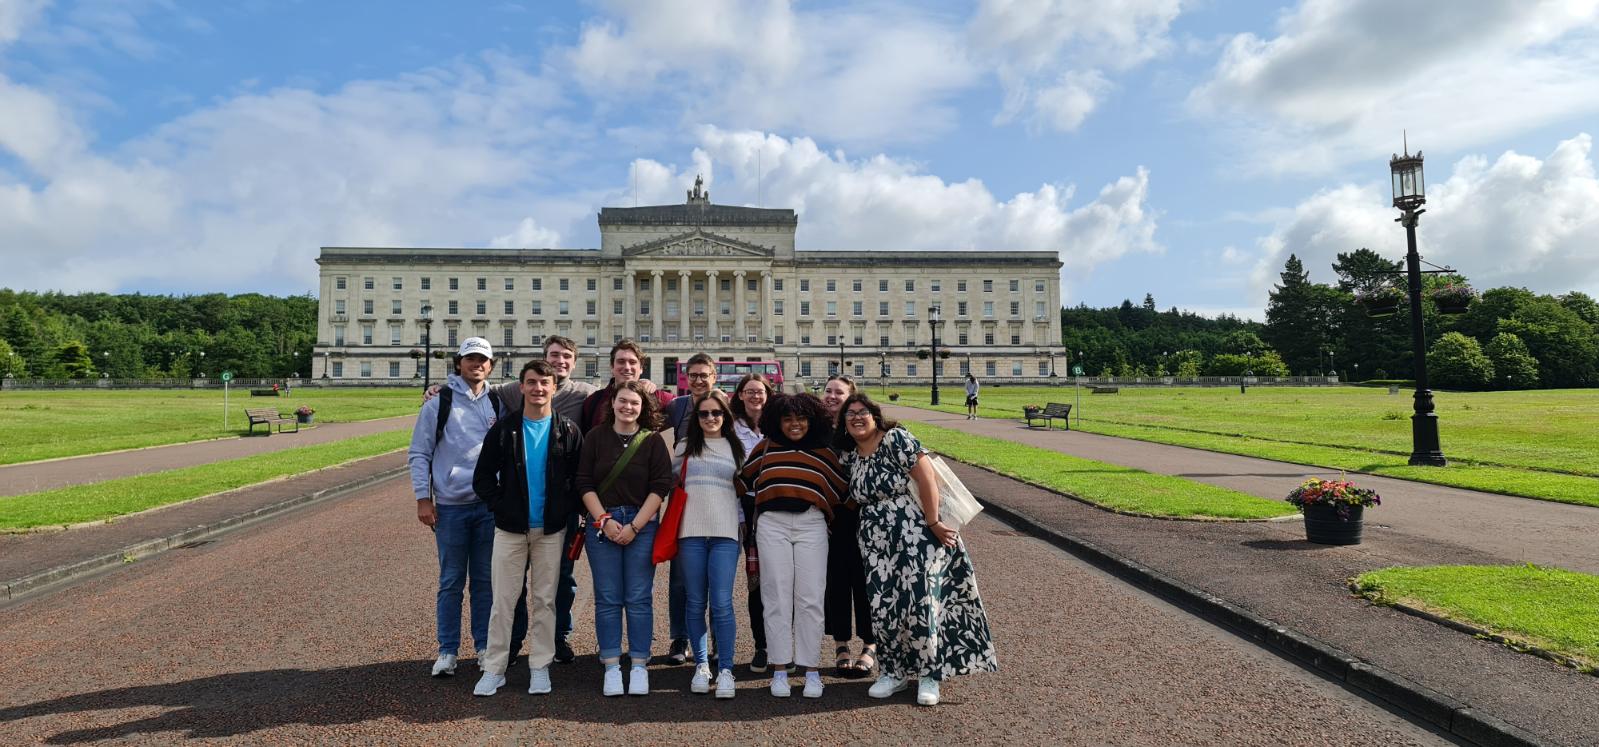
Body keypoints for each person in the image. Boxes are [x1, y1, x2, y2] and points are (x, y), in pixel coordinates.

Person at [424, 334, 597, 664]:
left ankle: (557, 639)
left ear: (574, 363)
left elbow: (624, 397)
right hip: (513, 511)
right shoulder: (508, 395)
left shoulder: (586, 395)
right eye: (554, 355)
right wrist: (439, 389)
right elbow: (475, 387)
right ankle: (511, 641)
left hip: (556, 513)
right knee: (509, 584)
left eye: (566, 357)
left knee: (559, 582)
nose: (559, 361)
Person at [835, 394, 996, 706]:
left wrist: (933, 522)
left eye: (862, 411)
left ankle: (928, 674)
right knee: (884, 606)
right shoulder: (850, 455)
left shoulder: (895, 439)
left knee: (921, 602)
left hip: (915, 531)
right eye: (849, 414)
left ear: (874, 416)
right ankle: (892, 672)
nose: (856, 417)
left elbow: (926, 478)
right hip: (875, 540)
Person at [406, 337, 524, 678]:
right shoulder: (439, 402)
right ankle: (447, 650)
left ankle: (484, 647)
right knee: (451, 581)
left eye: (483, 360)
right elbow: (419, 453)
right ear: (459, 363)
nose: (477, 364)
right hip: (451, 506)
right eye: (471, 358)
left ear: (491, 365)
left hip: (487, 507)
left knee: (486, 582)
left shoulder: (497, 401)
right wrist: (423, 497)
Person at [469, 360, 584, 697]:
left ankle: (540, 666)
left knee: (545, 601)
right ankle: (494, 668)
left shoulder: (568, 430)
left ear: (554, 387)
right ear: (521, 387)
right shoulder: (504, 430)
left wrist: (565, 510)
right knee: (503, 601)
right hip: (510, 529)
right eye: (532, 382)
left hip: (550, 531)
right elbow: (482, 478)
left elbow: (579, 480)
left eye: (544, 382)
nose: (538, 388)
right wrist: (501, 505)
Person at [736, 393, 846, 699]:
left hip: (812, 524)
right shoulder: (765, 448)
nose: (794, 424)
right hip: (772, 525)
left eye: (801, 419)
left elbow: (841, 491)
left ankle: (811, 670)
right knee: (776, 597)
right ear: (776, 421)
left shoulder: (824, 452)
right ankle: (780, 669)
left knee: (811, 598)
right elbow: (742, 482)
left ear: (812, 420)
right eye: (787, 419)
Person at [576, 381, 673, 696]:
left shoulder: (652, 441)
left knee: (638, 596)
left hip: (640, 522)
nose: (628, 407)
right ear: (613, 403)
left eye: (634, 403)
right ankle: (612, 664)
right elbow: (584, 482)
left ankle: (640, 663)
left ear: (643, 408)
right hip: (602, 521)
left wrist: (635, 526)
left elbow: (660, 486)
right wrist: (604, 520)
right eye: (623, 401)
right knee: (607, 597)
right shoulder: (595, 437)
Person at [671, 389, 745, 699]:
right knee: (695, 601)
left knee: (722, 602)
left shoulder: (736, 447)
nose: (711, 418)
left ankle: (725, 668)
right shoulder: (684, 446)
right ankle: (701, 665)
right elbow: (669, 481)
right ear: (696, 417)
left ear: (725, 416)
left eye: (716, 412)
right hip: (690, 532)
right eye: (704, 413)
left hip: (725, 532)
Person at [660, 352, 719, 666]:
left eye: (703, 375)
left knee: (718, 573)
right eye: (692, 375)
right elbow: (644, 423)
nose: (697, 380)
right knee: (681, 574)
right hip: (684, 498)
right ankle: (680, 637)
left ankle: (717, 638)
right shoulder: (678, 406)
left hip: (719, 499)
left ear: (714, 376)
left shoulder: (726, 406)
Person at [820, 375, 876, 678]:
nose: (831, 396)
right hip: (831, 519)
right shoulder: (817, 429)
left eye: (838, 392)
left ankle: (870, 644)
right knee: (836, 583)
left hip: (865, 518)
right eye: (828, 391)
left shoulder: (860, 427)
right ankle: (841, 644)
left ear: (851, 397)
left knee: (867, 583)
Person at [730, 373, 774, 673]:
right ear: (741, 395)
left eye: (760, 391)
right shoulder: (731, 429)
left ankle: (781, 642)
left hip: (776, 505)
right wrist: (740, 515)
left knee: (780, 579)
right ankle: (761, 644)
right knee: (755, 579)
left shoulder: (779, 426)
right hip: (746, 505)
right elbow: (730, 476)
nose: (755, 396)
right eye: (750, 391)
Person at [579, 339, 675, 430]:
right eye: (621, 361)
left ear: (641, 368)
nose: (627, 367)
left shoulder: (657, 397)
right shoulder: (593, 401)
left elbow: (683, 406)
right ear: (612, 367)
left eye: (632, 362)